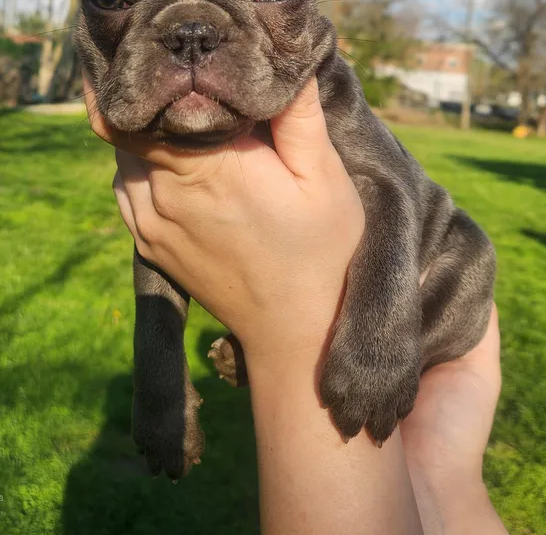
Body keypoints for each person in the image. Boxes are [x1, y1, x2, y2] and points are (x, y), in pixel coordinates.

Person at [84, 75, 508, 535]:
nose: (195, 38)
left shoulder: (328, 93)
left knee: (470, 251)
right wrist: (159, 384)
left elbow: (390, 188)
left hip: (430, 277)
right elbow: (160, 239)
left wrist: (328, 341)